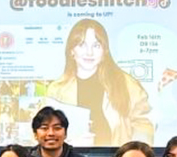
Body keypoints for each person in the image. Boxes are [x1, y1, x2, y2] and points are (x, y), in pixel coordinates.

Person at [46, 18, 153, 146]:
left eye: (96, 46)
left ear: (104, 52)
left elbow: (144, 125)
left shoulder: (127, 85)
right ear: (71, 51)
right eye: (82, 45)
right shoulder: (56, 90)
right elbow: (44, 133)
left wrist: (134, 156)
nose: (89, 52)